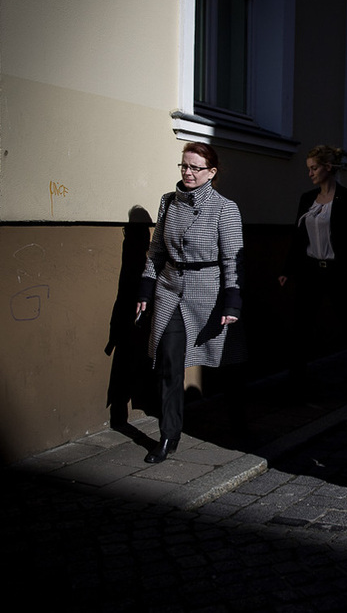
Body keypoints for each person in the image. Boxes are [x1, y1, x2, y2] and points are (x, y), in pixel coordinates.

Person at [136, 143, 245, 463]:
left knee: (224, 363)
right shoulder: (168, 202)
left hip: (209, 294)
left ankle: (238, 421)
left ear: (211, 172)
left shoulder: (225, 208)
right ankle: (169, 435)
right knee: (168, 363)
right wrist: (145, 290)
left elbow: (232, 259)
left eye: (196, 167)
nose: (188, 172)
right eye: (184, 165)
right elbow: (156, 251)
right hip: (170, 290)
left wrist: (232, 302)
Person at [277, 145, 347, 381]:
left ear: (328, 168)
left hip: (338, 273)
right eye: (309, 169)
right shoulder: (307, 199)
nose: (310, 173)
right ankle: (297, 382)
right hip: (310, 272)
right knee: (301, 328)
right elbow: (298, 237)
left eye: (314, 168)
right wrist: (288, 268)